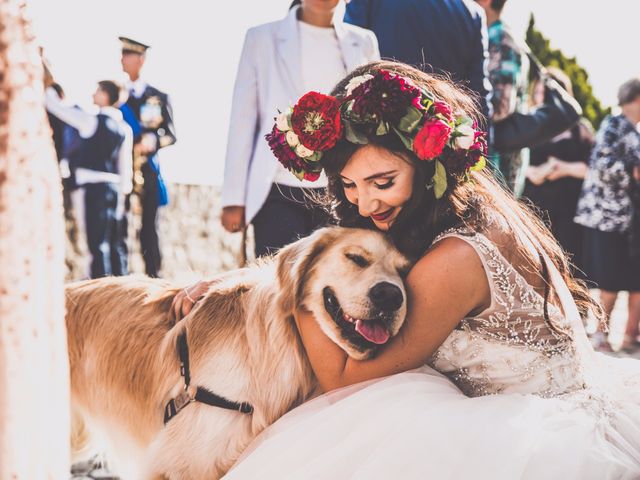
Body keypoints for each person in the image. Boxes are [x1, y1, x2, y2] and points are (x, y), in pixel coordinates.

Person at [176, 62, 640, 478]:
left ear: (428, 162)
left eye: (383, 182)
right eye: (349, 185)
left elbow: (344, 375)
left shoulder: (457, 257)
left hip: (533, 442)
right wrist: (246, 278)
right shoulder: (465, 210)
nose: (365, 202)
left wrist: (298, 279)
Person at [220, 0, 380, 257]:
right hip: (277, 188)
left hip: (342, 190)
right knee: (275, 287)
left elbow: (372, 118)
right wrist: (233, 198)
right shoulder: (261, 38)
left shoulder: (363, 42)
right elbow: (243, 117)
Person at [574, 77, 640, 353]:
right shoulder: (613, 125)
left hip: (626, 220)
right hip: (605, 216)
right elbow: (601, 165)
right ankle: (600, 335)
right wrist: (632, 172)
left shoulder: (633, 132)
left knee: (626, 279)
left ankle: (621, 336)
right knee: (609, 280)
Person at [344, 0, 492, 121]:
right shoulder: (472, 13)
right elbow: (478, 98)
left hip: (380, 129)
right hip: (443, 136)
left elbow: (347, 55)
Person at [45, 81, 133, 279]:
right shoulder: (124, 129)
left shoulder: (91, 121)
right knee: (110, 243)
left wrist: (49, 87)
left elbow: (56, 108)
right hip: (114, 188)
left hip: (91, 189)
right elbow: (125, 168)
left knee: (94, 244)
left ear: (105, 96)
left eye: (97, 90)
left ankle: (95, 288)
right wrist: (121, 199)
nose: (93, 93)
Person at [523, 67, 594, 278]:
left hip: (569, 212)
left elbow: (593, 170)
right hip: (535, 208)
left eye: (545, 92)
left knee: (569, 271)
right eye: (537, 92)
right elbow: (512, 162)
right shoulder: (525, 126)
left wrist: (562, 168)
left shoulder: (580, 130)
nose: (540, 97)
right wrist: (533, 171)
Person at [119, 36, 177, 278]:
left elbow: (171, 134)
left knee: (149, 227)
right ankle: (119, 275)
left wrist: (153, 141)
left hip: (148, 169)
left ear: (140, 60)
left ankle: (154, 276)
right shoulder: (117, 95)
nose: (122, 59)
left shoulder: (157, 96)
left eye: (127, 55)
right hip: (121, 167)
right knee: (120, 224)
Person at [475, 0, 530, 196]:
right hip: (491, 158)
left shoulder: (503, 40)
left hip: (498, 166)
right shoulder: (491, 36)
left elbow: (502, 106)